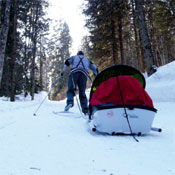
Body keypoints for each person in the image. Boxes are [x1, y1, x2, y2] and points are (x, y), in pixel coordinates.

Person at [61, 51, 98, 115]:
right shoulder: (87, 60)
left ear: (77, 54)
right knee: (82, 92)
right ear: (83, 55)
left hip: (74, 73)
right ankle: (85, 110)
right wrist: (96, 75)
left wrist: (63, 71)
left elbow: (67, 62)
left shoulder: (74, 57)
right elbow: (95, 68)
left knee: (71, 89)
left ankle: (70, 102)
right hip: (84, 75)